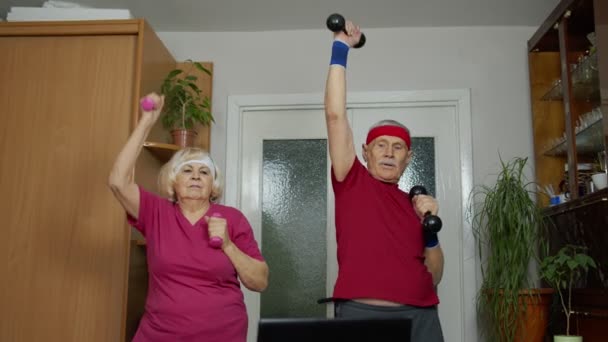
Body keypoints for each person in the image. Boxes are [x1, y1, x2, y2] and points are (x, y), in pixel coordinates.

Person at [108, 93, 269, 341]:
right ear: (174, 180)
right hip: (160, 334)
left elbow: (259, 281)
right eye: (187, 170)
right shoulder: (156, 213)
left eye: (204, 171)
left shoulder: (233, 219)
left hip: (223, 334)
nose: (196, 176)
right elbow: (118, 182)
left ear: (213, 184)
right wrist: (146, 122)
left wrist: (228, 244)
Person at [323, 20, 445, 341]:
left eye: (398, 147)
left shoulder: (415, 205)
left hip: (422, 317)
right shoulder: (351, 180)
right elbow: (335, 115)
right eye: (381, 145)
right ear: (366, 152)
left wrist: (430, 229)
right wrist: (341, 47)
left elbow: (435, 276)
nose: (389, 153)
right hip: (363, 317)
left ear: (408, 158)